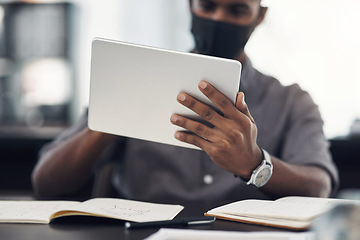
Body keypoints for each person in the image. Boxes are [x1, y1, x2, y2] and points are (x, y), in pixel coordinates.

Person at [31, 0, 339, 202]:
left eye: (237, 11)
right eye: (207, 5)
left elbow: (319, 187)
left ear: (260, 16)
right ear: (190, 5)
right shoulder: (136, 79)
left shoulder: (291, 101)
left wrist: (255, 163)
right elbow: (46, 183)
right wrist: (113, 115)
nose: (219, 19)